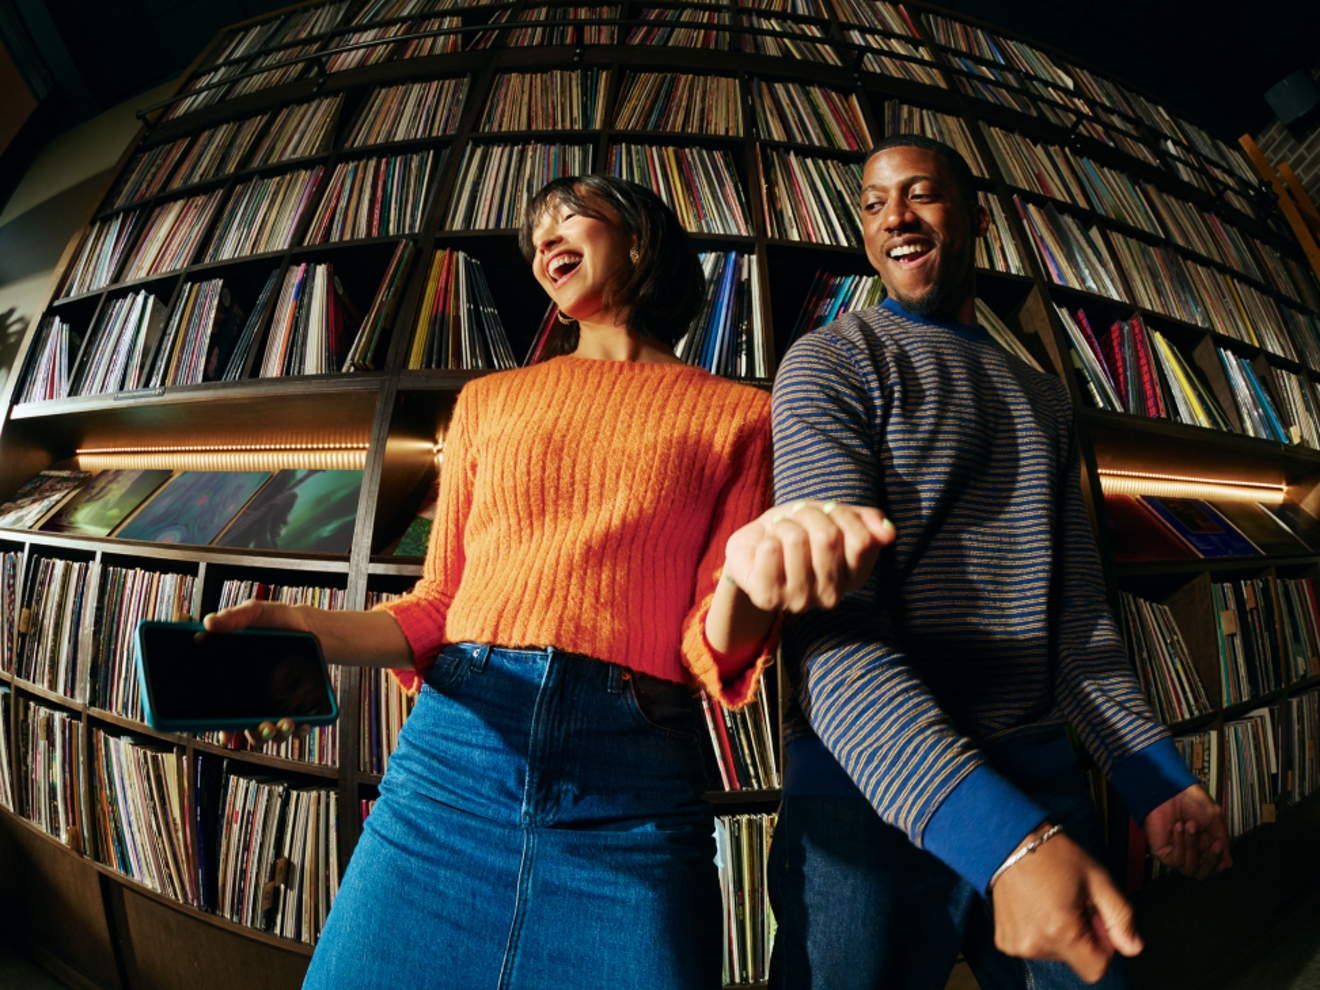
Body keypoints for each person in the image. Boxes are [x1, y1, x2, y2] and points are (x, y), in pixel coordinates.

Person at [204, 174, 892, 990]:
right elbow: (437, 607)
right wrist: (306, 627)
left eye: (568, 217)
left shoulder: (742, 415)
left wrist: (749, 584)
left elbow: (715, 641)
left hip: (633, 790)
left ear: (638, 238)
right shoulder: (487, 403)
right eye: (534, 236)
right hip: (450, 771)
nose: (542, 242)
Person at [766, 135, 1231, 990]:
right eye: (873, 203)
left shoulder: (1046, 399)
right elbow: (831, 639)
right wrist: (999, 838)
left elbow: (1082, 629)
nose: (895, 217)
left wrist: (1154, 778)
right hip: (863, 803)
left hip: (1040, 775)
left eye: (920, 193)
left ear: (977, 217)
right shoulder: (828, 362)